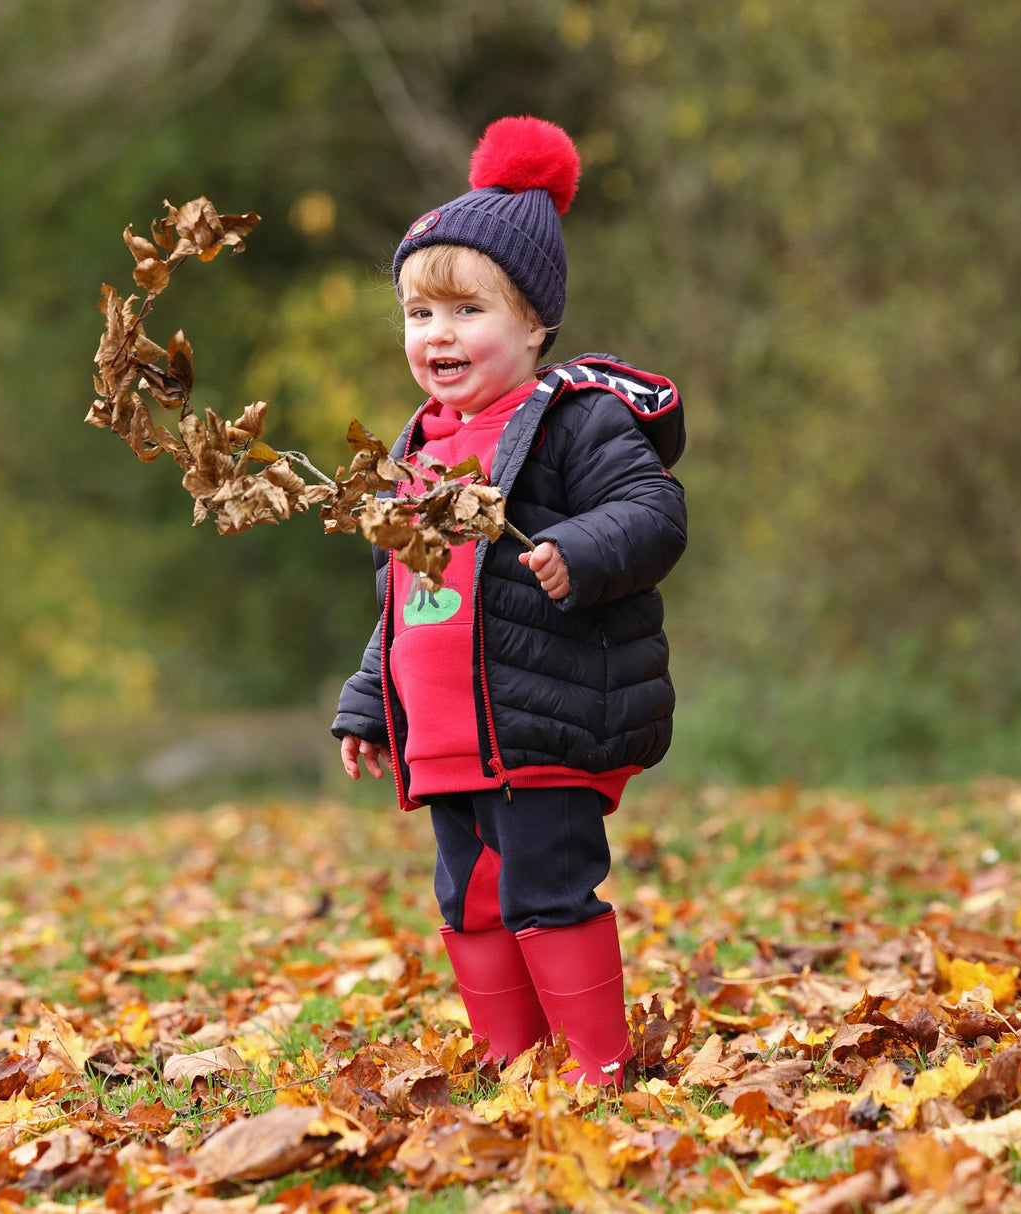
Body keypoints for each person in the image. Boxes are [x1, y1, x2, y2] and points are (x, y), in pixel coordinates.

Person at [331, 115, 687, 1086]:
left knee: (544, 886)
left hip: (540, 715)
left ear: (533, 323)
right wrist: (373, 698)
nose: (436, 334)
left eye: (464, 311)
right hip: (448, 732)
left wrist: (577, 545)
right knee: (469, 896)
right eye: (417, 314)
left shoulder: (574, 423)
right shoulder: (415, 449)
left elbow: (651, 510)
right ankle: (511, 1058)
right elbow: (407, 591)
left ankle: (597, 1063)